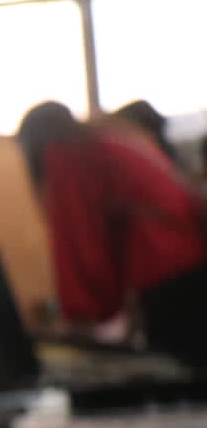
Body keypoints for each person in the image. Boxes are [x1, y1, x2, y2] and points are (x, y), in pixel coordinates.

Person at [16, 100, 207, 368]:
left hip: (168, 271)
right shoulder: (102, 141)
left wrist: (79, 317)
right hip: (189, 260)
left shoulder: (65, 154)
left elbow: (79, 241)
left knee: (183, 373)